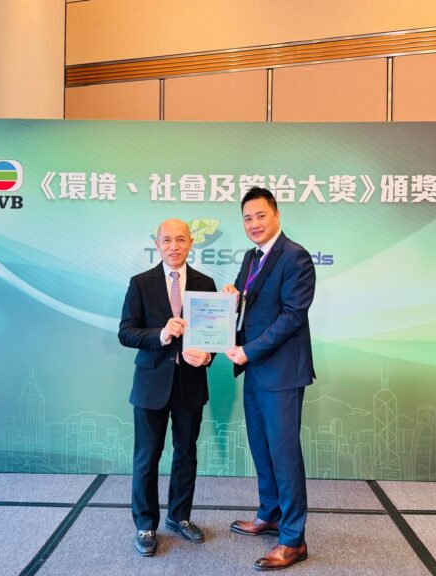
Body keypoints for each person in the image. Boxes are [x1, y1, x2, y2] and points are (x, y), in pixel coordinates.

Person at [223, 186, 316, 571]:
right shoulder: (251, 257)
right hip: (256, 369)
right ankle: (270, 513)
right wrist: (232, 298)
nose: (254, 224)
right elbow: (249, 305)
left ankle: (293, 539)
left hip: (281, 371)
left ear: (276, 214)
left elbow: (292, 316)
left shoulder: (295, 257)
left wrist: (249, 350)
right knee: (261, 447)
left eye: (260, 215)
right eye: (247, 218)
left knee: (284, 453)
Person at [119, 218, 216, 557]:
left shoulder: (205, 283)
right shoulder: (140, 283)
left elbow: (214, 333)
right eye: (167, 240)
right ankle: (146, 525)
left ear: (191, 243)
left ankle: (180, 516)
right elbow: (126, 332)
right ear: (157, 244)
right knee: (147, 456)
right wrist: (160, 335)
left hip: (190, 383)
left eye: (181, 239)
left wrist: (208, 356)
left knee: (186, 454)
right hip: (151, 384)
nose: (174, 246)